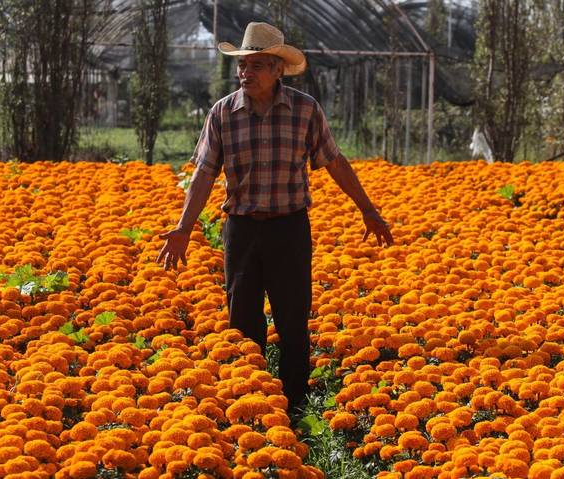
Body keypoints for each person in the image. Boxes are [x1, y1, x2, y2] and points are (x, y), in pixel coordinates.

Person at [157, 22, 393, 418]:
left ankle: (296, 408)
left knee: (293, 320)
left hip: (289, 228)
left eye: (256, 65)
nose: (246, 73)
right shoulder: (222, 114)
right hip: (243, 230)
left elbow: (334, 161)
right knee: (243, 322)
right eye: (243, 65)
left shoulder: (304, 110)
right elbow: (203, 174)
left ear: (278, 70)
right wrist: (183, 227)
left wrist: (367, 208)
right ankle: (251, 403)